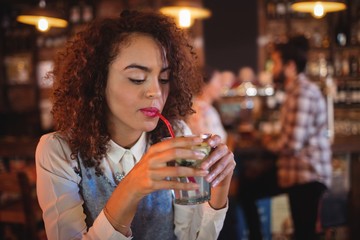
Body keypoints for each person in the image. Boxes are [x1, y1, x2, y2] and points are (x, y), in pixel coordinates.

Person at [35, 10, 236, 240]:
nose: (156, 92)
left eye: (164, 79)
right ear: (98, 82)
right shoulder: (58, 151)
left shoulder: (176, 134)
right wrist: (132, 186)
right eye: (137, 78)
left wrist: (216, 197)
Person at [237, 35, 332, 240]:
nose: (272, 68)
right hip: (294, 172)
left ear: (290, 66)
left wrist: (267, 142)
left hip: (307, 175)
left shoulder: (302, 93)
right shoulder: (295, 91)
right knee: (247, 191)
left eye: (276, 63)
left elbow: (292, 143)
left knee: (304, 234)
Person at [186, 66, 228, 143]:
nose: (222, 85)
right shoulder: (197, 110)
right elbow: (203, 140)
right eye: (219, 81)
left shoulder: (207, 108)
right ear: (205, 84)